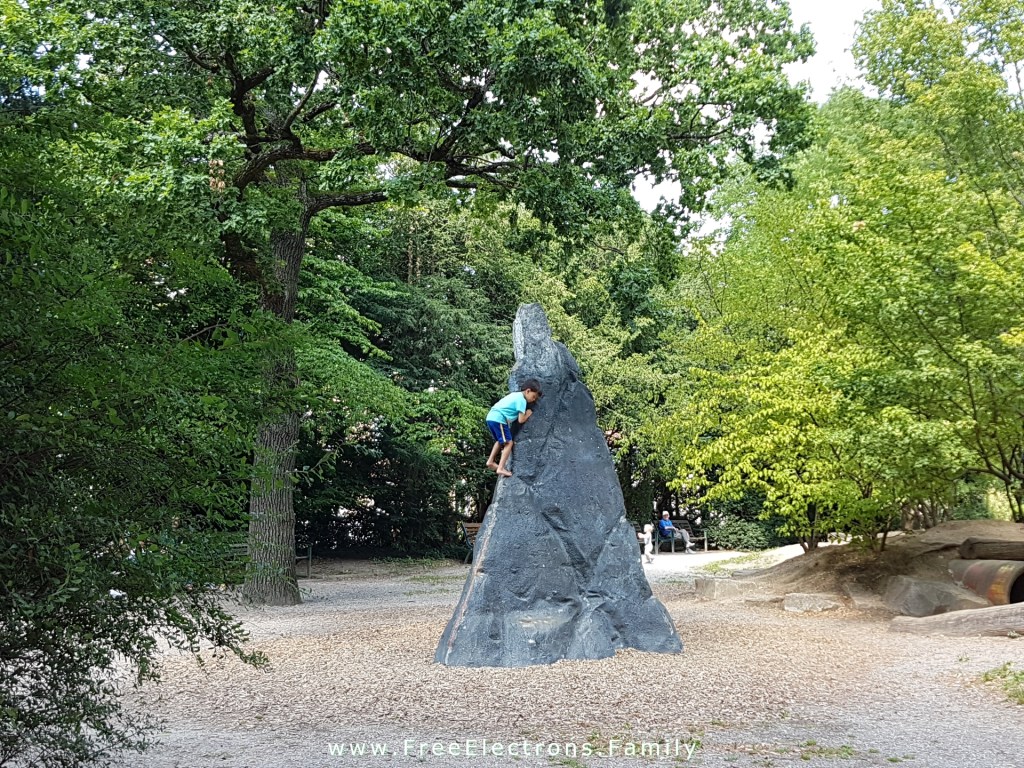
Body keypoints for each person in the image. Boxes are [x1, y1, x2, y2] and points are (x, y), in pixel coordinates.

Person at [485, 378, 542, 477]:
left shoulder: (515, 395)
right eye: (533, 397)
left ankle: (490, 461)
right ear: (528, 391)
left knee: (500, 440)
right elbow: (521, 419)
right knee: (509, 443)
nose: (533, 400)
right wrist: (528, 413)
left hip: (491, 417)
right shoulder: (522, 400)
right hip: (499, 418)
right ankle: (501, 468)